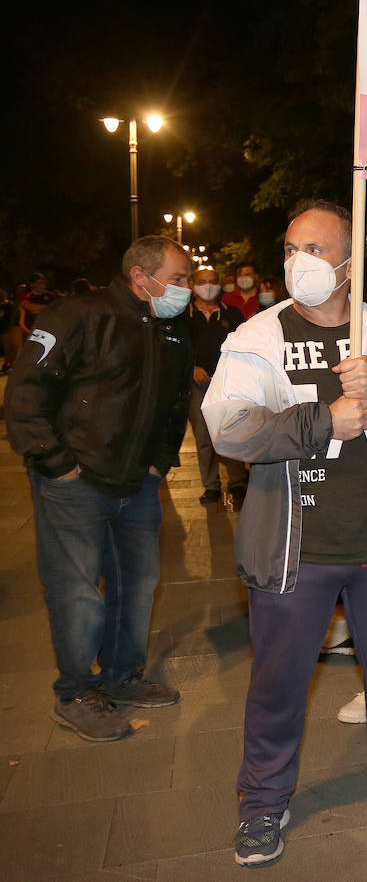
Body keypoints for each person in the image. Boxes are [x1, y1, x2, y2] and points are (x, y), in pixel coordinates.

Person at [201, 202, 367, 866]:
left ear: (350, 261)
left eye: (316, 249)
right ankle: (263, 800)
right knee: (278, 682)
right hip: (294, 549)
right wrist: (321, 419)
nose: (300, 262)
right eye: (292, 247)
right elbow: (227, 430)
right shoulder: (256, 337)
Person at [5, 236, 193, 742]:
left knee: (136, 585)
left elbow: (176, 405)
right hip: (75, 483)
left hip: (137, 484)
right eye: (177, 278)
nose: (186, 288)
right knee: (78, 593)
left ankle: (120, 675)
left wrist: (158, 463)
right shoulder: (78, 315)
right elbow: (25, 393)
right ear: (140, 276)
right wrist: (57, 463)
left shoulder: (171, 328)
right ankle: (75, 693)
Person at [187, 267, 248, 506]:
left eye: (213, 281)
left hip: (227, 383)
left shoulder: (232, 314)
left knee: (231, 430)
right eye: (202, 281)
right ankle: (211, 485)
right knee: (203, 436)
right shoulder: (183, 315)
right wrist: (191, 368)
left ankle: (237, 481)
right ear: (193, 285)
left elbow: (243, 344)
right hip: (197, 385)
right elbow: (174, 349)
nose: (208, 286)